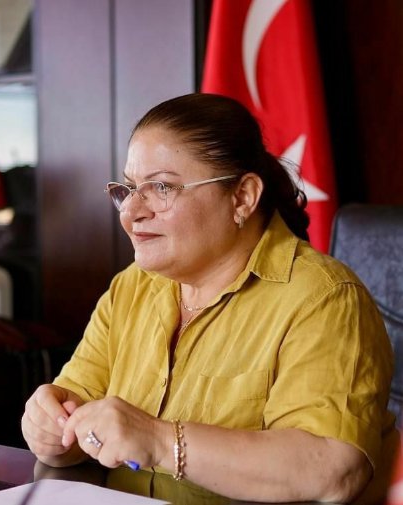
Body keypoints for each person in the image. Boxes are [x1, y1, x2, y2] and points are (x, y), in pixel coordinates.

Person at [21, 93, 396, 503]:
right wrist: (51, 428)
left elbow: (330, 470)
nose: (130, 212)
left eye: (161, 187)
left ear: (242, 197)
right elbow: (77, 416)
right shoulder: (132, 287)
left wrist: (160, 441)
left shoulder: (323, 299)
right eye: (128, 188)